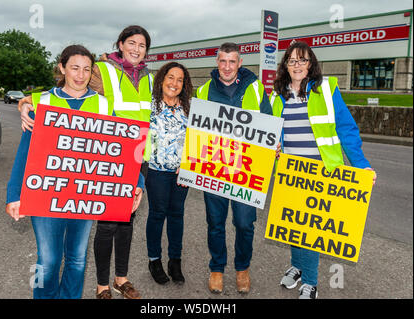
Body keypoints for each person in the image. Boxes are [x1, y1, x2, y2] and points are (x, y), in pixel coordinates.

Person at [18, 25, 153, 299]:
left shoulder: (134, 85)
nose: (81, 74)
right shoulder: (87, 79)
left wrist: (136, 179)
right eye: (131, 43)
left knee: (93, 247)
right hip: (63, 183)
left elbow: (131, 136)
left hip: (107, 175)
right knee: (53, 258)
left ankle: (96, 287)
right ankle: (74, 291)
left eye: (142, 45)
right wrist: (24, 103)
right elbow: (27, 149)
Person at [270, 40, 377, 299]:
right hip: (289, 173)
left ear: (311, 64)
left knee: (310, 231)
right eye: (292, 60)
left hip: (320, 172)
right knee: (292, 226)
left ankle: (310, 282)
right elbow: (270, 132)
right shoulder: (276, 95)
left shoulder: (326, 89)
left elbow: (346, 129)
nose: (297, 65)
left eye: (302, 60)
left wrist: (362, 165)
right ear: (285, 65)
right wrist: (273, 145)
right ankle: (296, 267)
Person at [196, 42, 272, 294]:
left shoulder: (255, 88)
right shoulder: (204, 90)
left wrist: (275, 144)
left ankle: (242, 268)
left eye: (232, 61)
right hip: (214, 169)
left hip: (246, 172)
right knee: (215, 222)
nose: (227, 66)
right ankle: (217, 268)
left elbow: (269, 124)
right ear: (216, 63)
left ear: (240, 63)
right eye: (222, 61)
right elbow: (195, 132)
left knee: (244, 223)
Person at [145, 62, 192, 285]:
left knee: (177, 215)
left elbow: (199, 137)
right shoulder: (149, 104)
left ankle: (175, 261)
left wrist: (189, 163)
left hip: (181, 171)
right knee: (157, 214)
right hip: (156, 171)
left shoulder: (189, 107)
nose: (174, 83)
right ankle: (154, 260)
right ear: (162, 79)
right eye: (170, 77)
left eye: (179, 80)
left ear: (184, 84)